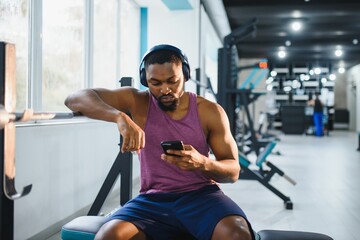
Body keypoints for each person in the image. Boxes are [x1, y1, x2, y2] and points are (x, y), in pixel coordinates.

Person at [65, 44, 255, 240]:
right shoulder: (137, 101)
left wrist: (202, 162)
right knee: (109, 236)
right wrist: (119, 117)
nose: (165, 90)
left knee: (237, 234)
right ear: (145, 81)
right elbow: (75, 98)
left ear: (185, 75)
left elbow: (233, 171)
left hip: (202, 196)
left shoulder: (209, 111)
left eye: (173, 81)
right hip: (151, 201)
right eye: (155, 83)